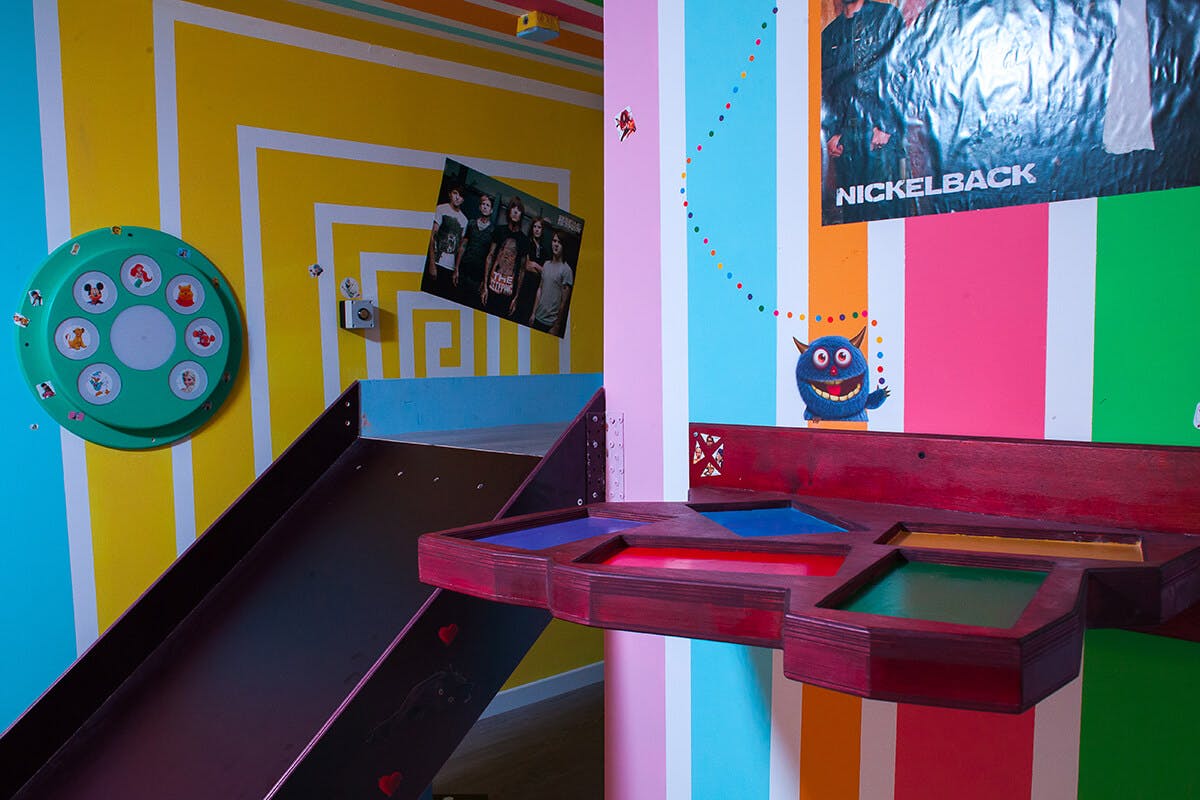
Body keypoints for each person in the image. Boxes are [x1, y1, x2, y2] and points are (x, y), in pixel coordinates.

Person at [821, 0, 905, 223]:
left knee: (887, 216)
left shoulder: (886, 17)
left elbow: (901, 71)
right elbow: (825, 88)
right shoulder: (829, 35)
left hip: (881, 138)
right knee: (854, 219)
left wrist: (886, 126)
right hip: (846, 141)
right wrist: (830, 133)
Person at [481, 196, 529, 319]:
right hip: (491, 288)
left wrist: (516, 297)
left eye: (519, 209)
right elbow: (490, 256)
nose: (515, 211)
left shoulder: (524, 240)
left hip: (507, 293)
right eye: (513, 208)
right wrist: (485, 285)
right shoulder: (499, 230)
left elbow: (522, 270)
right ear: (509, 211)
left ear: (521, 214)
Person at [423, 185, 468, 297]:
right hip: (436, 262)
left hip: (450, 267)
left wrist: (456, 269)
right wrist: (432, 263)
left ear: (463, 199)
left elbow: (460, 246)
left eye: (461, 195)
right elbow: (432, 236)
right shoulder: (441, 209)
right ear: (450, 194)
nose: (457, 197)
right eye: (455, 193)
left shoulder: (464, 220)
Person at [529, 230, 574, 337]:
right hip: (537, 317)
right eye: (554, 241)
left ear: (564, 246)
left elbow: (564, 302)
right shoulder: (546, 264)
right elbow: (540, 289)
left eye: (560, 242)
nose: (556, 244)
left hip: (550, 324)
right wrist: (533, 313)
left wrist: (556, 325)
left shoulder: (566, 270)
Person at [454, 193, 494, 308]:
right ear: (480, 207)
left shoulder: (493, 230)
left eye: (488, 205)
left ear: (491, 210)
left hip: (477, 276)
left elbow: (490, 256)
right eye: (483, 204)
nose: (485, 207)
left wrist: (484, 281)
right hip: (464, 270)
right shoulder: (471, 223)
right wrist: (456, 268)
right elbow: (463, 246)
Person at [513, 217, 547, 324]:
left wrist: (535, 265)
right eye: (535, 226)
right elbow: (527, 266)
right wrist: (540, 270)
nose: (536, 229)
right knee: (517, 315)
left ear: (542, 230)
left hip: (535, 289)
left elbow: (546, 273)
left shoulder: (544, 250)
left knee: (527, 319)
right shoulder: (527, 242)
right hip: (523, 284)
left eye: (539, 227)